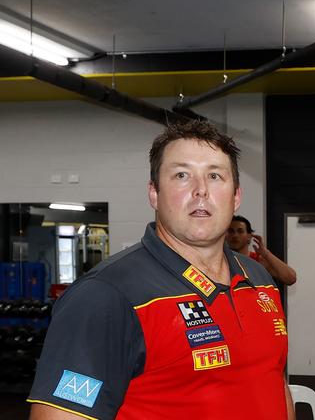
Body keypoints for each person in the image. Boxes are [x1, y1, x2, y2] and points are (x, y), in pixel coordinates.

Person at [28, 120, 295, 420]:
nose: (201, 190)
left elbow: (275, 381)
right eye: (182, 175)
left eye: (215, 176)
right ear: (154, 193)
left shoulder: (259, 280)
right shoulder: (104, 296)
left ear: (236, 196)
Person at [227, 215, 297, 286]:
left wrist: (266, 254)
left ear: (249, 236)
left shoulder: (259, 260)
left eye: (240, 231)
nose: (235, 235)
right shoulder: (221, 261)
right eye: (231, 231)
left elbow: (291, 279)